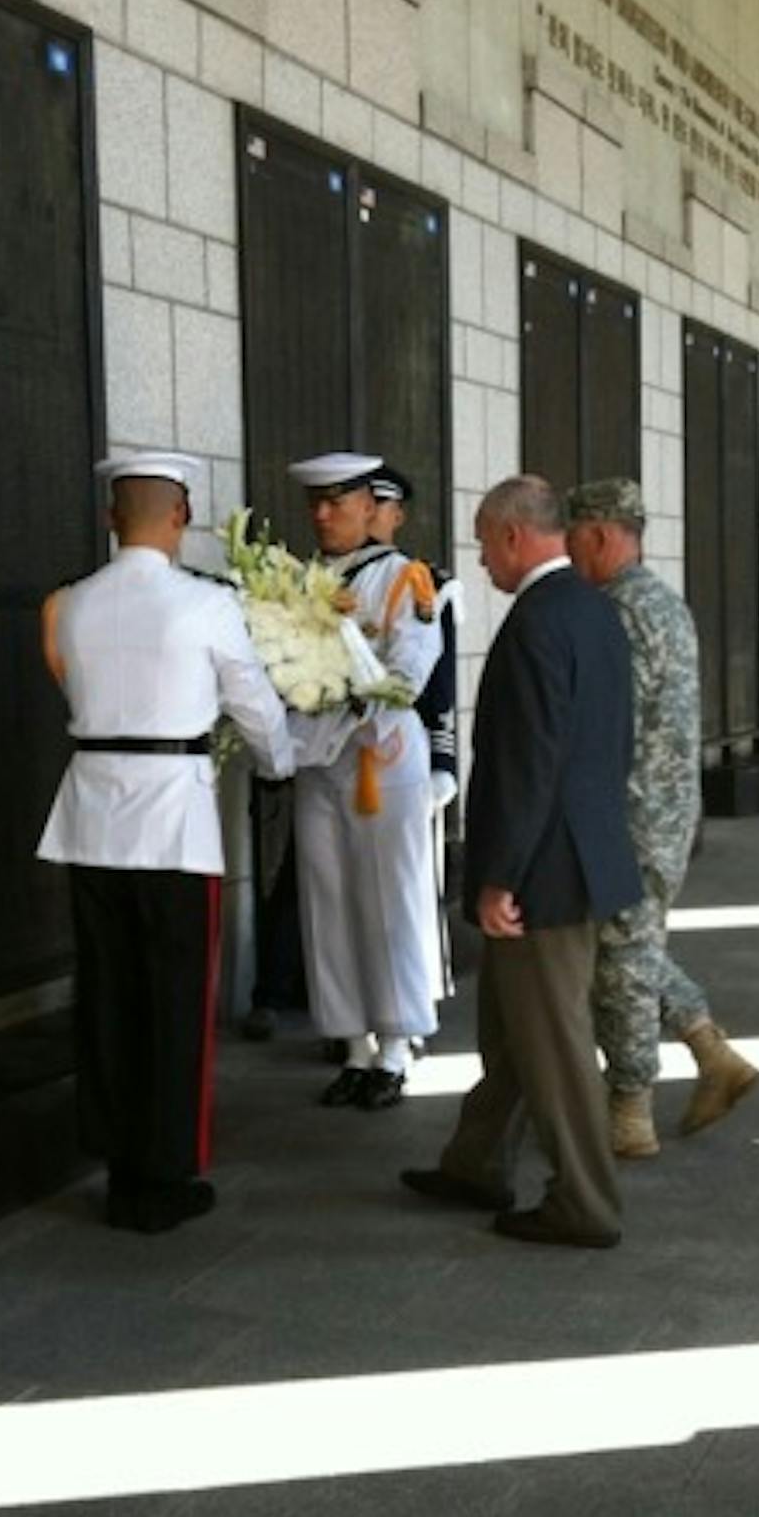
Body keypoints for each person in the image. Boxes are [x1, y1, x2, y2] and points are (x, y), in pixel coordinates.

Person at [38, 452, 297, 1231]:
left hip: (91, 818)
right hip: (173, 826)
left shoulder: (73, 603)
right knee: (176, 1002)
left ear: (112, 518)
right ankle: (168, 1172)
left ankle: (120, 1165)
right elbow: (250, 697)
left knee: (109, 997)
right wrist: (279, 762)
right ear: (179, 517)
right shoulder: (204, 604)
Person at [401, 476, 639, 1248]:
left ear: (512, 535)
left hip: (543, 869)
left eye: (480, 540)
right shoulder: (595, 610)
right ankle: (475, 1163)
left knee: (554, 1041)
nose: (479, 558)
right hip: (582, 852)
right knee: (511, 1034)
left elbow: (529, 760)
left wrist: (499, 873)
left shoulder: (539, 620)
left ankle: (586, 1201)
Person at [565, 478, 759, 1157]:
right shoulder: (663, 601)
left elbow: (602, 724)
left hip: (631, 813)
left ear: (597, 534)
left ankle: (630, 1110)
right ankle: (712, 1052)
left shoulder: (615, 611)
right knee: (631, 944)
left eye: (572, 536)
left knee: (619, 961)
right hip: (668, 810)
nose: (567, 550)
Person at [286, 451, 445, 1110]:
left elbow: (409, 668)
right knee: (328, 899)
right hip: (316, 758)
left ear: (367, 507)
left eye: (337, 502)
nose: (323, 514)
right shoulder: (295, 582)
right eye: (315, 503)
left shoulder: (404, 577)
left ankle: (396, 1047)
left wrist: (346, 692)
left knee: (388, 899)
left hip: (379, 754)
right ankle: (351, 1043)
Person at [369, 466, 462, 1038]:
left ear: (397, 514)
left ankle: (410, 1015)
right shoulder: (324, 580)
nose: (372, 514)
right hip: (339, 758)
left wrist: (443, 763)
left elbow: (441, 682)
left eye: (381, 505)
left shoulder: (425, 580)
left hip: (404, 748)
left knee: (408, 895)